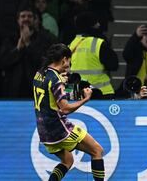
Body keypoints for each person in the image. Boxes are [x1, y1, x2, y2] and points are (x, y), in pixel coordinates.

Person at [32, 43, 105, 181]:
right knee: (97, 150)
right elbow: (65, 108)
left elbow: (48, 96)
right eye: (69, 60)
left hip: (44, 131)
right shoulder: (56, 80)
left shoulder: (39, 73)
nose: (70, 63)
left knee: (68, 161)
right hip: (59, 129)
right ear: (64, 59)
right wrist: (86, 99)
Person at [0, 6, 56, 98]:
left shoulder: (44, 39)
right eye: (23, 16)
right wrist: (17, 49)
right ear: (18, 20)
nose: (26, 19)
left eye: (29, 16)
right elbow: (2, 63)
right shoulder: (9, 39)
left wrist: (29, 44)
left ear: (34, 19)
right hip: (13, 90)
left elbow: (45, 64)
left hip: (37, 90)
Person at [69, 11, 118, 99]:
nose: (99, 25)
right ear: (90, 25)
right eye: (96, 23)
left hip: (78, 94)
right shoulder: (98, 43)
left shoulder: (72, 44)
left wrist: (68, 92)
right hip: (102, 93)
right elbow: (114, 65)